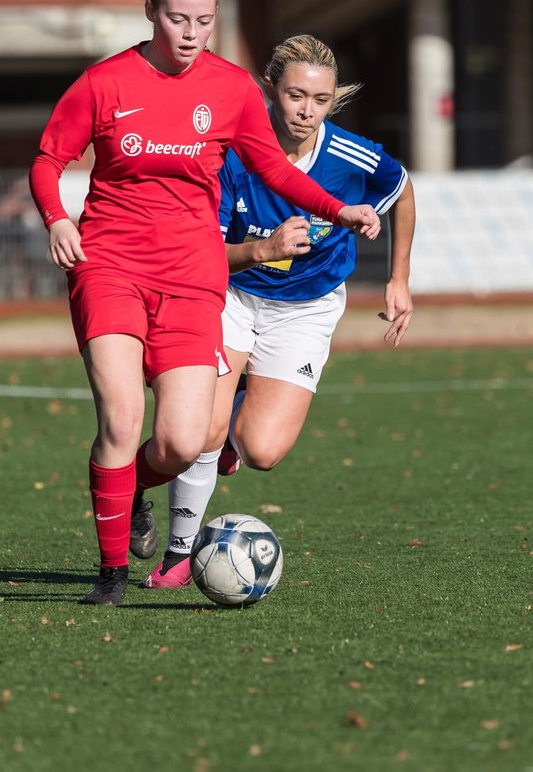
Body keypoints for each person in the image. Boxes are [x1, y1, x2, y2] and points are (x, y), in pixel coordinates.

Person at [28, 0, 380, 606]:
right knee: (124, 418)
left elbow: (275, 169)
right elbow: (50, 158)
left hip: (193, 278)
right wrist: (56, 217)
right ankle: (109, 577)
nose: (190, 34)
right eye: (178, 19)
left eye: (203, 21)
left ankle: (130, 492)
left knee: (187, 440)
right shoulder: (106, 82)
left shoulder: (231, 88)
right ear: (151, 14)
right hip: (110, 265)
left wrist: (338, 209)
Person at [134, 34, 415, 589]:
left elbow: (402, 191)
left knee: (262, 450)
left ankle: (233, 419)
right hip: (231, 294)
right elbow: (204, 254)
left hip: (306, 310)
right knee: (199, 433)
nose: (307, 111)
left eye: (320, 99)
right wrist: (263, 249)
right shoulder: (231, 156)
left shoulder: (350, 157)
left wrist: (399, 278)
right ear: (270, 89)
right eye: (295, 96)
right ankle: (177, 553)